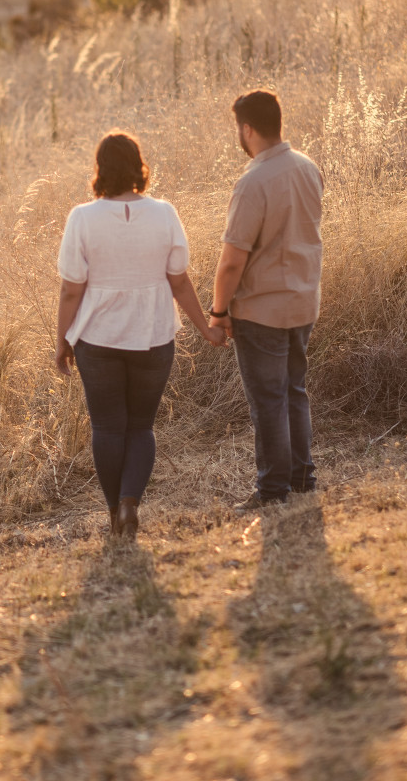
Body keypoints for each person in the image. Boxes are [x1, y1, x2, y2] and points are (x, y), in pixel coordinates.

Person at [55, 130, 225, 539]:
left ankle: (115, 512)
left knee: (107, 428)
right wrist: (206, 328)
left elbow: (71, 289)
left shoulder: (82, 218)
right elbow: (179, 281)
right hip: (153, 335)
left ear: (100, 170)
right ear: (138, 167)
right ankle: (131, 503)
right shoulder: (164, 213)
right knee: (141, 427)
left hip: (97, 339)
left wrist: (62, 340)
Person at [209, 90, 323, 509]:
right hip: (303, 301)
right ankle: (302, 478)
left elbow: (231, 262)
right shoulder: (308, 168)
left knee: (269, 401)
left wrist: (219, 312)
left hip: (262, 309)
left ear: (247, 129)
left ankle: (273, 490)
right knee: (294, 391)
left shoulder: (252, 182)